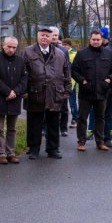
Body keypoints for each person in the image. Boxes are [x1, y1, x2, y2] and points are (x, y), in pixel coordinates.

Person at [22, 26, 71, 159]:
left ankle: (53, 149)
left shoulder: (60, 53)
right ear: (37, 36)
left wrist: (67, 90)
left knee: (54, 123)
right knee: (34, 124)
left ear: (52, 38)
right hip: (34, 93)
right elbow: (22, 74)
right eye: (42, 35)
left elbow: (67, 72)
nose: (45, 37)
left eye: (47, 36)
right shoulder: (27, 52)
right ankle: (33, 149)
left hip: (55, 93)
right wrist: (24, 91)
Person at [71, 29, 112, 151]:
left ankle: (100, 142)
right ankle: (81, 141)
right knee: (82, 118)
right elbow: (74, 71)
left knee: (100, 118)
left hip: (102, 92)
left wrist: (109, 80)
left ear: (102, 40)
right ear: (90, 39)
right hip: (86, 92)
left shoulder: (108, 54)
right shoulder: (82, 54)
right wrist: (82, 81)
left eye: (98, 39)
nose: (96, 42)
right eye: (94, 39)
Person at [0, 37, 27, 164]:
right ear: (3, 45)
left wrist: (15, 92)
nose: (11, 50)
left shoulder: (21, 61)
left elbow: (24, 79)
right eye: (9, 47)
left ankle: (11, 152)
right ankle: (1, 153)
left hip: (15, 99)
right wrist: (8, 91)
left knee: (12, 128)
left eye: (14, 47)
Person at [50, 27, 71, 137]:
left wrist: (68, 86)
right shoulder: (44, 49)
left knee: (63, 107)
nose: (54, 37)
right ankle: (45, 127)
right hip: (48, 83)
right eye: (52, 34)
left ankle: (63, 128)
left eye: (56, 35)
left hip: (61, 83)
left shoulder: (63, 50)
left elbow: (67, 68)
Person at [61, 38, 79, 128]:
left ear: (70, 46)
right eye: (62, 45)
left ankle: (75, 119)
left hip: (72, 81)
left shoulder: (74, 54)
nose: (63, 47)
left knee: (72, 102)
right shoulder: (61, 52)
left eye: (65, 45)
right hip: (62, 81)